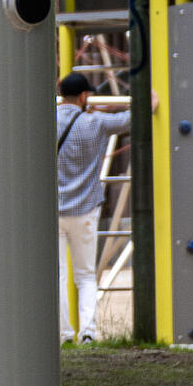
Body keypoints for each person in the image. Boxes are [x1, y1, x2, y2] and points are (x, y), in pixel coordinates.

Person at [53, 70, 136, 344]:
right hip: (85, 210)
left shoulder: (47, 120)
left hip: (53, 210)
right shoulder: (95, 122)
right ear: (84, 96)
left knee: (59, 276)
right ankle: (87, 332)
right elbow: (129, 119)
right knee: (85, 275)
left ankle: (64, 334)